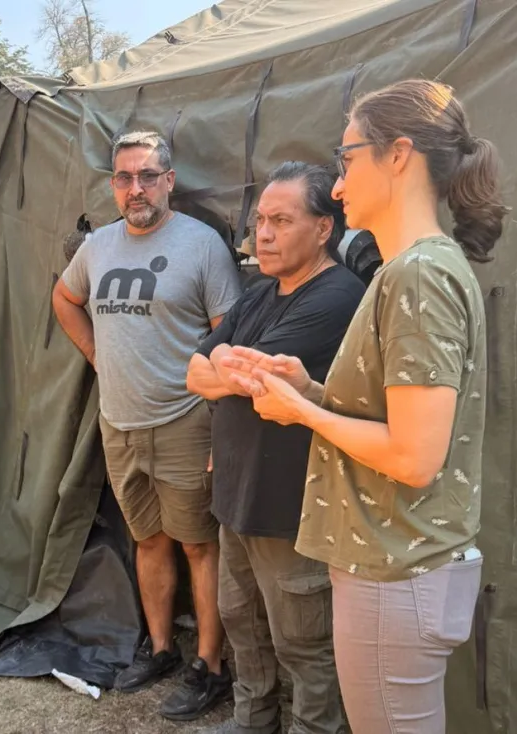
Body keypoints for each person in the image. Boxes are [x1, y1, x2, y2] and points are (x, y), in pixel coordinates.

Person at [222, 79, 508, 733]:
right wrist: (310, 387)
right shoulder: (410, 270)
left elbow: (412, 456)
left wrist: (303, 414)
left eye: (347, 160)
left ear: (399, 154)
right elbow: (394, 420)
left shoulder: (418, 276)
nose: (341, 185)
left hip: (394, 572)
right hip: (397, 569)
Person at [52, 131, 243, 721]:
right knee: (149, 540)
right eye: (124, 178)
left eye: (147, 176)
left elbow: (229, 333)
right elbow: (64, 298)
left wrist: (219, 419)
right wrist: (96, 357)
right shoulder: (100, 246)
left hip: (185, 420)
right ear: (113, 184)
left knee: (199, 544)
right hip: (120, 422)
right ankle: (161, 648)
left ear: (169, 180)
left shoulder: (202, 245)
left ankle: (210, 664)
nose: (136, 189)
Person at [187, 162, 362, 734]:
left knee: (304, 641)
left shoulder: (337, 295)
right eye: (260, 220)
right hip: (237, 491)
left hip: (292, 506)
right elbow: (194, 371)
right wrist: (224, 366)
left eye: (281, 220)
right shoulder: (259, 292)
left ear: (323, 229)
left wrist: (225, 365)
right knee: (242, 621)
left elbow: (257, 378)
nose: (262, 233)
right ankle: (252, 720)